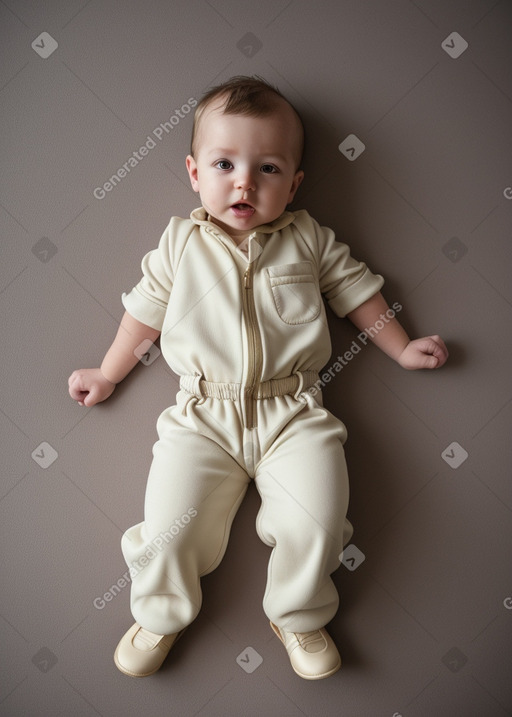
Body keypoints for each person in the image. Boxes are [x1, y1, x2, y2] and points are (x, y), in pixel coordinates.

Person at [68, 76, 448, 680]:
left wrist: (400, 349)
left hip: (293, 414)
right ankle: (160, 613)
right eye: (225, 163)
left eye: (268, 168)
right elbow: (142, 314)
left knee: (318, 519)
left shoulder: (308, 240)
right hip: (202, 416)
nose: (244, 181)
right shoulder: (179, 244)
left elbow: (358, 294)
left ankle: (298, 614)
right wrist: (108, 373)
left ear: (294, 184)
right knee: (169, 523)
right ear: (195, 173)